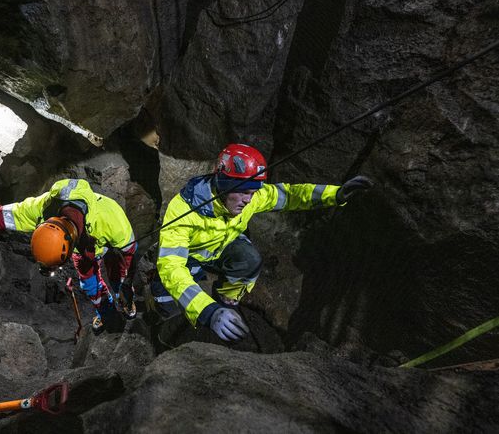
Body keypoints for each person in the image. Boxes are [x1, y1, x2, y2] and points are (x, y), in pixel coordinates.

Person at [152, 143, 373, 342]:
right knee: (167, 296)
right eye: (244, 193)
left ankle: (226, 299)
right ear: (224, 186)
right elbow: (172, 267)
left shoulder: (251, 196)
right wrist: (207, 311)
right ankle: (162, 331)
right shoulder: (183, 210)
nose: (249, 200)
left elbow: (290, 195)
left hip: (222, 247)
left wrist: (335, 195)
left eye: (253, 192)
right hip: (190, 256)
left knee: (249, 259)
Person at [0, 178, 138, 333]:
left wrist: (126, 284)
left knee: (119, 278)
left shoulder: (112, 219)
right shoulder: (41, 210)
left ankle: (126, 303)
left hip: (108, 246)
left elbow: (129, 253)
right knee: (89, 285)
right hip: (83, 249)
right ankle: (104, 311)